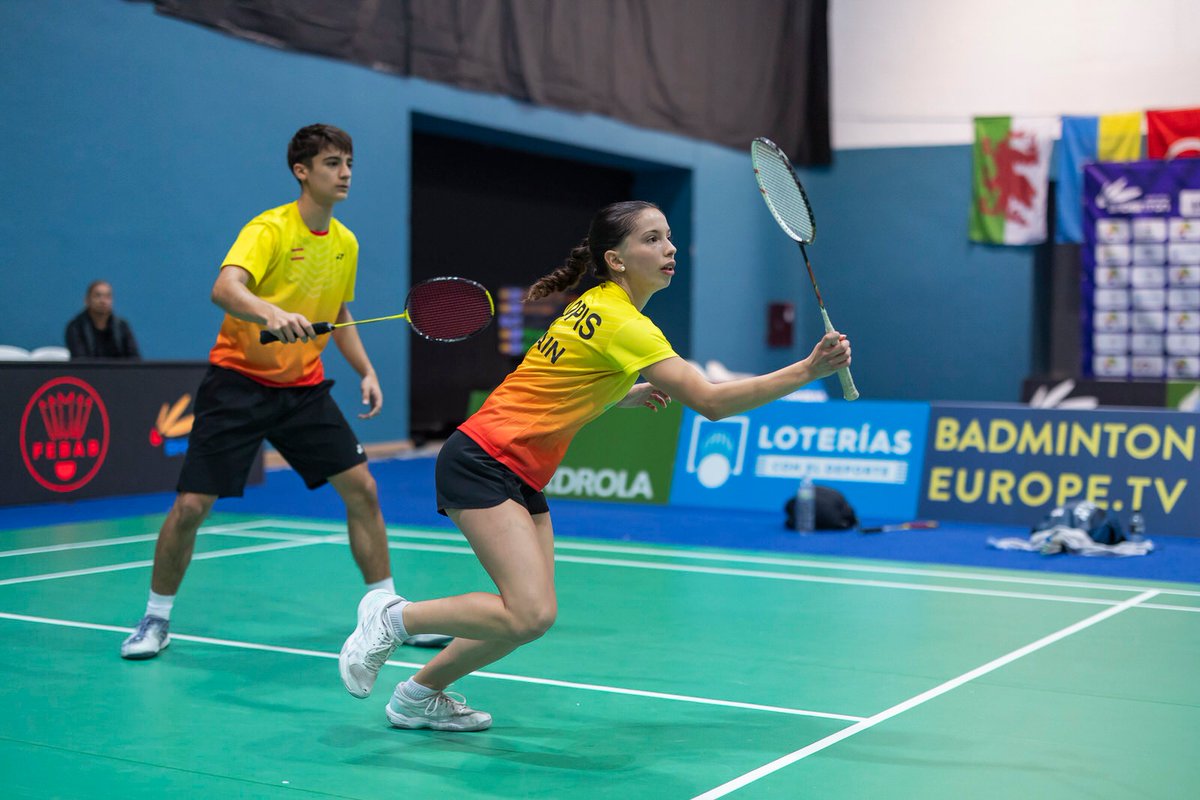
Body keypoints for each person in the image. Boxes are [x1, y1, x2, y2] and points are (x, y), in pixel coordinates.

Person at [337, 200, 852, 731]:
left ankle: (418, 695)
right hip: (485, 459)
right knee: (528, 611)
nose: (669, 248)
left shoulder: (595, 303)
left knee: (528, 621)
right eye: (651, 239)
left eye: (668, 237)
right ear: (617, 258)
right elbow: (712, 402)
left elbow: (557, 377)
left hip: (517, 468)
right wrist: (808, 369)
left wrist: (618, 394)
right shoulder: (625, 322)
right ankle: (393, 616)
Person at [121, 124, 448, 659]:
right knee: (190, 506)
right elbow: (225, 287)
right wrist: (270, 311)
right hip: (238, 383)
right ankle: (155, 618)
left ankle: (388, 616)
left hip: (303, 388)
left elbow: (339, 312)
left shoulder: (345, 242)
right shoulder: (269, 229)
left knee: (362, 490)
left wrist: (366, 370)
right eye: (332, 163)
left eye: (349, 163)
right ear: (302, 171)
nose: (345, 173)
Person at [65, 280, 141, 359]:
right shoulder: (76, 327)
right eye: (98, 296)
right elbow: (80, 362)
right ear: (87, 300)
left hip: (118, 371)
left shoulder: (121, 326)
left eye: (107, 296)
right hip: (90, 371)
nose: (103, 301)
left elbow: (134, 359)